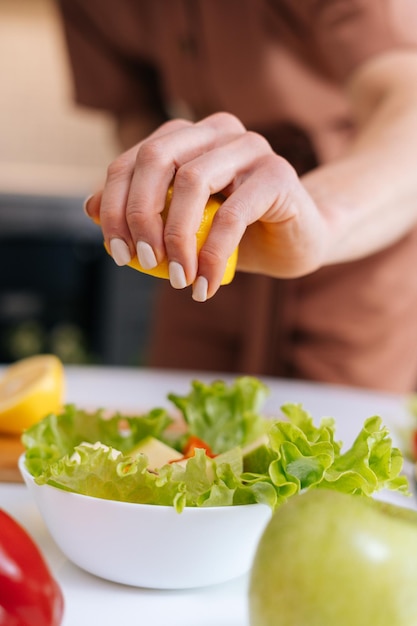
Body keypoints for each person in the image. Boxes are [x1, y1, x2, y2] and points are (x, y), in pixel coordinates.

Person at [56, 0, 417, 392]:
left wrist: (321, 219)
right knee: (173, 433)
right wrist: (158, 176)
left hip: (357, 237)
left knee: (335, 444)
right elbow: (132, 110)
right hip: (203, 243)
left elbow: (406, 97)